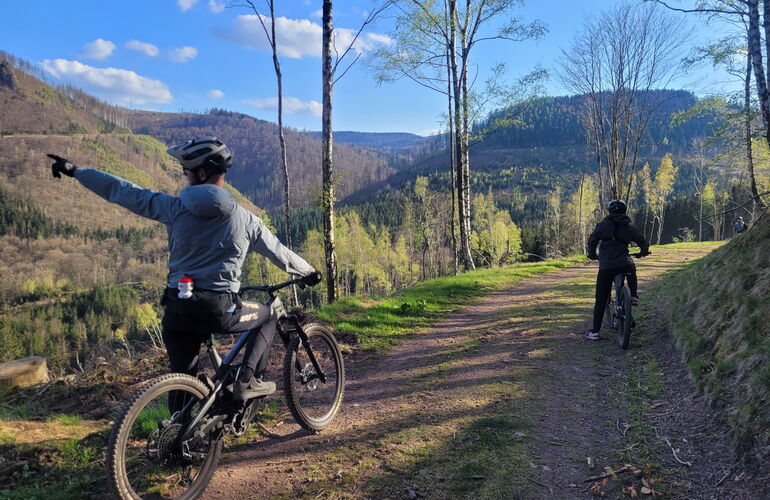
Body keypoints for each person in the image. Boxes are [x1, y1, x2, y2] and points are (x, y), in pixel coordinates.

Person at [47, 137, 321, 401]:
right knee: (269, 314)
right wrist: (308, 271)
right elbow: (280, 253)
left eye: (185, 170)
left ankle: (176, 435)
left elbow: (123, 191)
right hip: (218, 309)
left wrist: (77, 172)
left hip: (178, 304)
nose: (184, 175)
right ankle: (248, 380)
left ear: (201, 173)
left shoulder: (174, 208)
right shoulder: (248, 221)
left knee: (182, 379)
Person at [583, 199, 649, 341]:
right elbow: (642, 240)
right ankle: (633, 296)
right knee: (631, 269)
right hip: (624, 262)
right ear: (624, 211)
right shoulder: (629, 227)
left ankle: (594, 332)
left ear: (610, 211)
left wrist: (592, 254)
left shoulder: (602, 225)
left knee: (600, 299)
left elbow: (592, 240)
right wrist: (643, 251)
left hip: (606, 266)